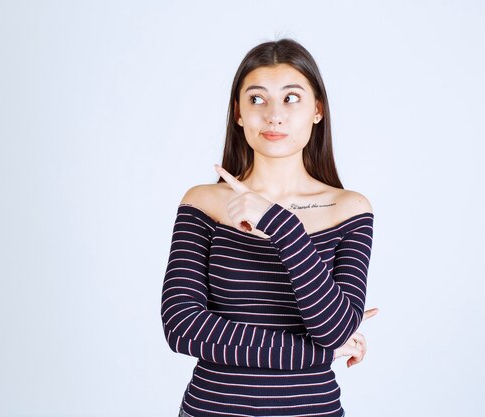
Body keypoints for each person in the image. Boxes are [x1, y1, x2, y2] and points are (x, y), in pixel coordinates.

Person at [161, 38, 378, 417]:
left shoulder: (349, 209)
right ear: (238, 113)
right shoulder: (203, 203)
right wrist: (315, 354)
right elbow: (182, 327)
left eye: (291, 98)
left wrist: (280, 224)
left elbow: (333, 328)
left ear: (317, 110)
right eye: (257, 99)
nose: (274, 115)